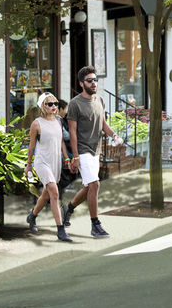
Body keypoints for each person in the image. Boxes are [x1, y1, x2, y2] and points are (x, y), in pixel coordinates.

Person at [63, 68, 116, 238]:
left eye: (95, 80)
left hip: (96, 149)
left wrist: (114, 135)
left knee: (88, 186)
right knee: (95, 184)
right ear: (81, 83)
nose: (94, 83)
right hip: (83, 150)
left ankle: (68, 209)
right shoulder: (74, 104)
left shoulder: (99, 100)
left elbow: (103, 123)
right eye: (89, 80)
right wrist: (75, 157)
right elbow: (72, 132)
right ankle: (95, 225)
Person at [23, 93, 73, 241]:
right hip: (42, 162)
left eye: (55, 104)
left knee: (46, 194)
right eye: (49, 104)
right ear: (42, 106)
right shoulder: (36, 124)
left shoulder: (59, 120)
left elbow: (62, 142)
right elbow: (32, 147)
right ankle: (61, 230)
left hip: (55, 162)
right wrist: (29, 166)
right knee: (54, 193)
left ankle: (32, 216)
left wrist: (67, 159)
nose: (53, 107)